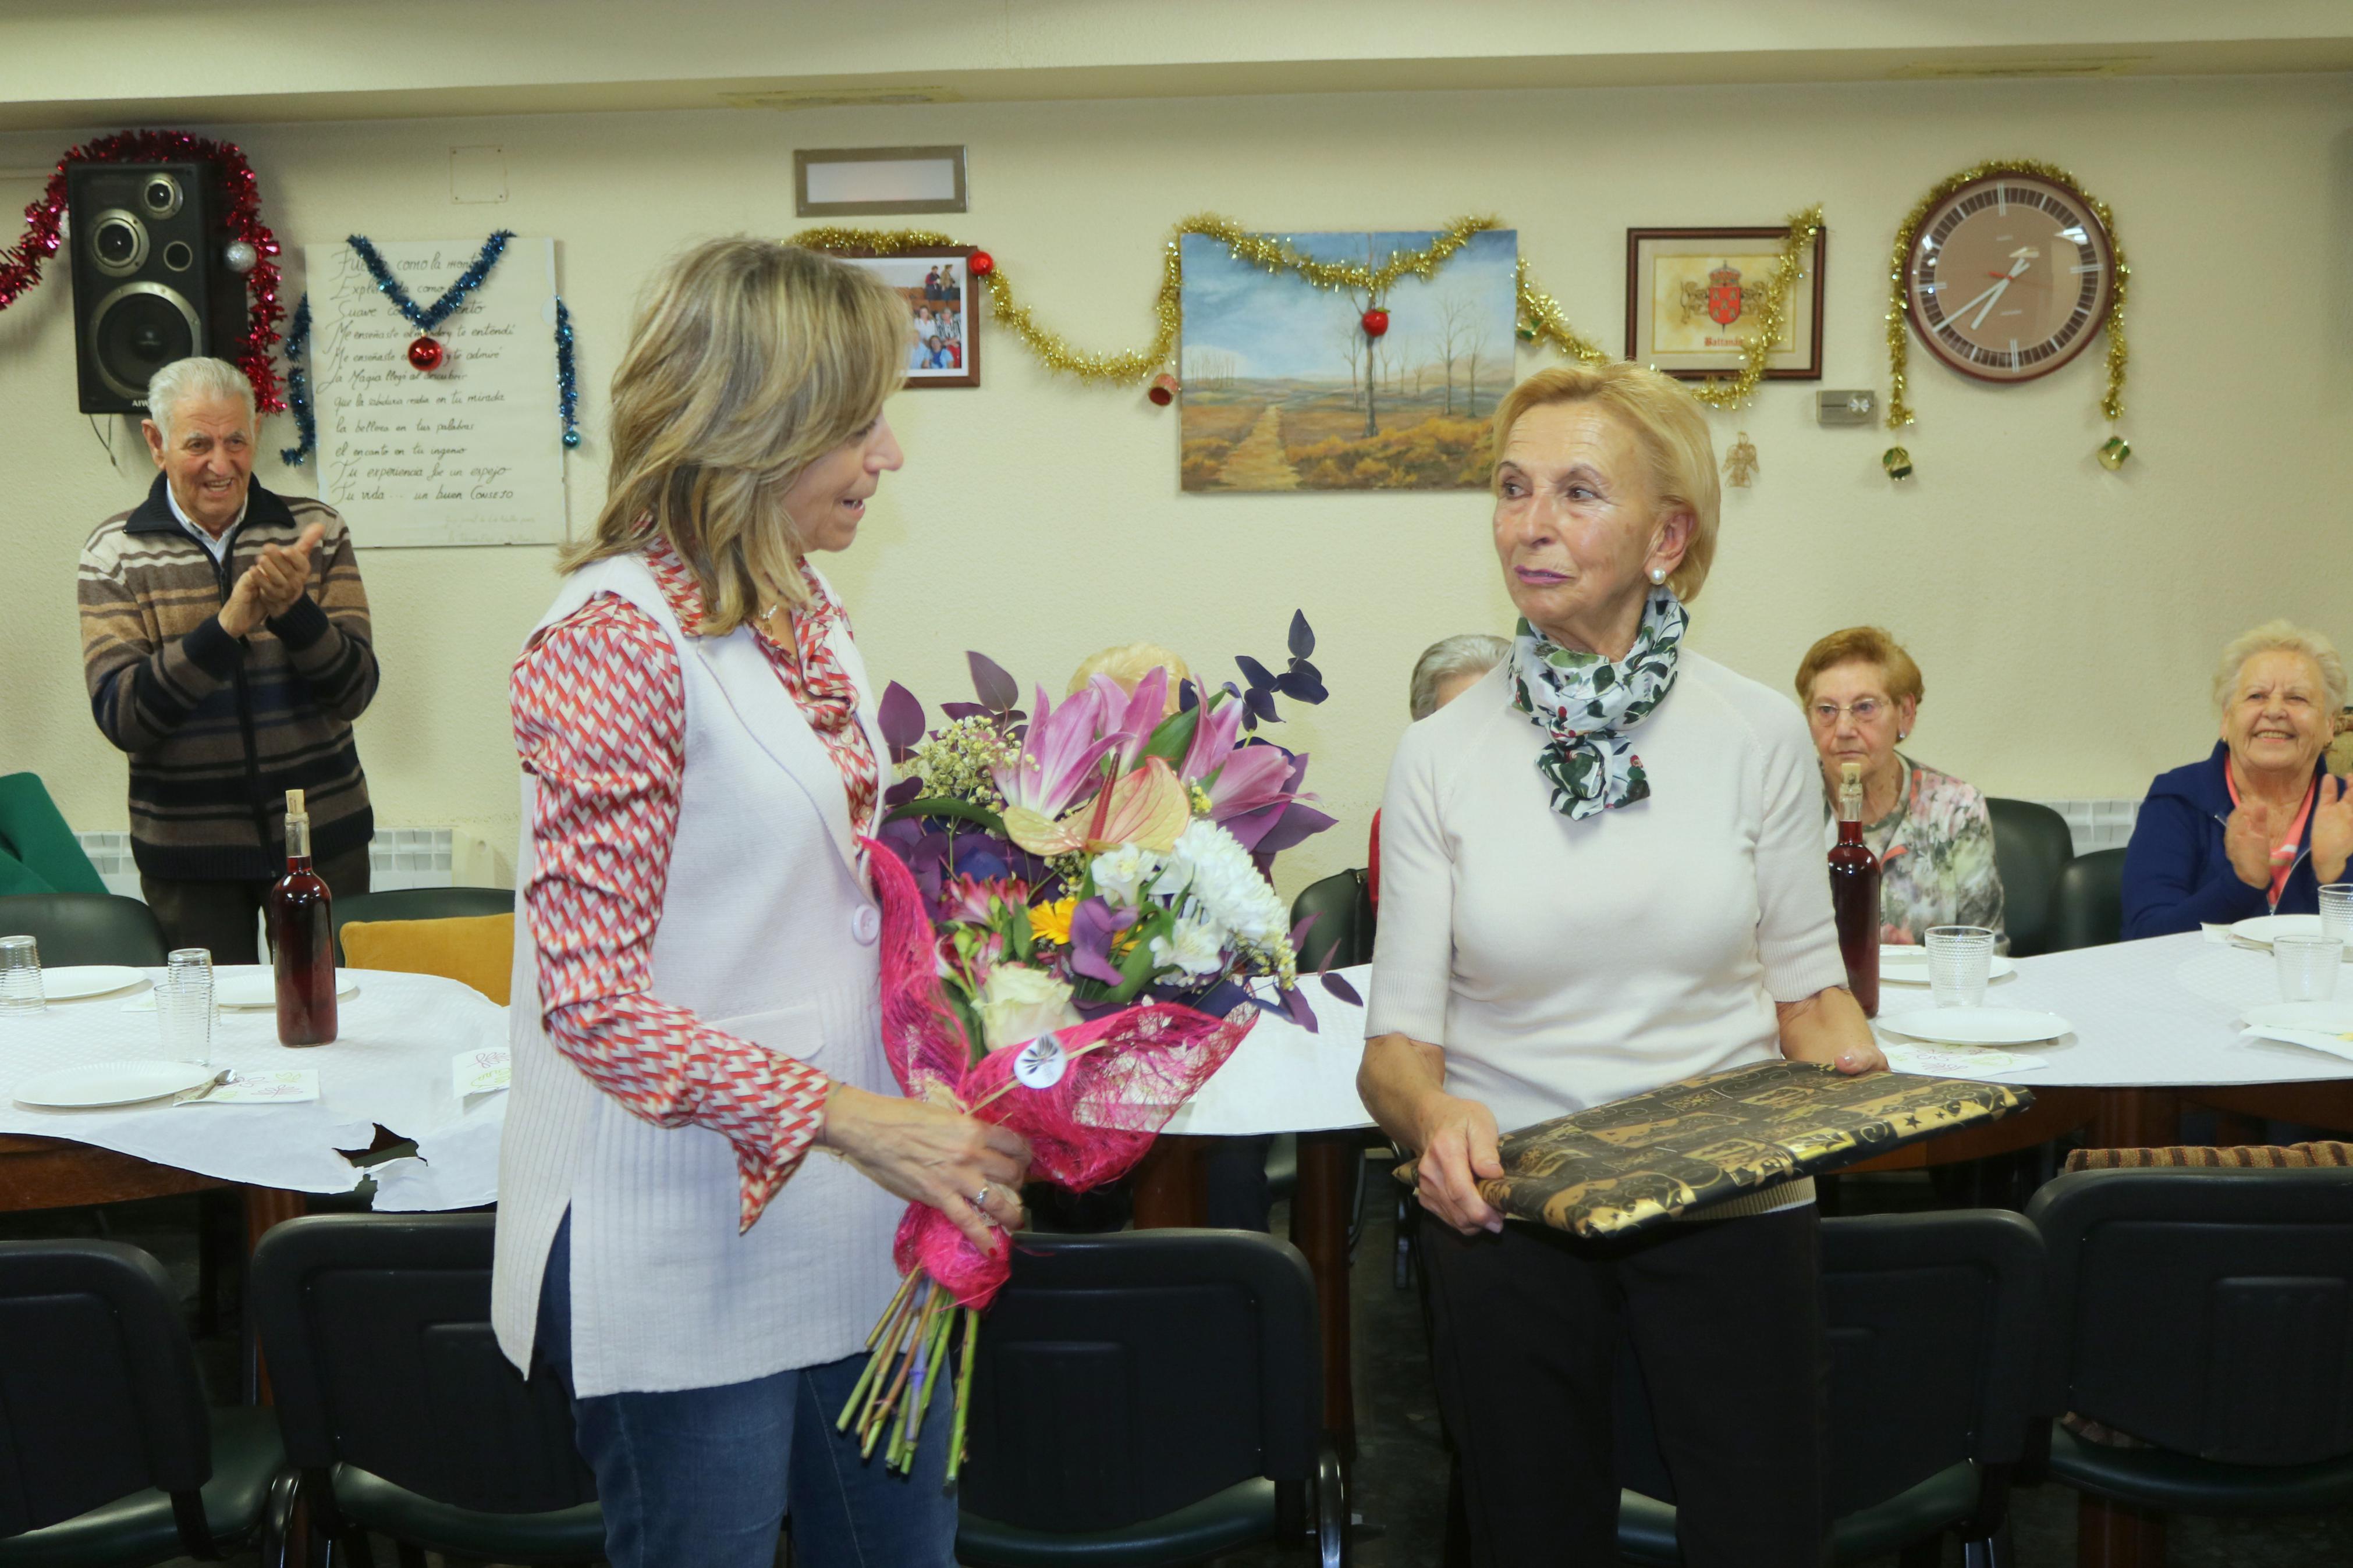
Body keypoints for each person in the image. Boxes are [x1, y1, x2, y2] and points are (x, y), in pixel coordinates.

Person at [492, 238, 1031, 1568]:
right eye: (858, 424)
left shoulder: (800, 602)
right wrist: (861, 1123)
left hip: (849, 1213)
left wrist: (953, 1058)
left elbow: (821, 902)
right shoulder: (613, 644)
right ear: (757, 427)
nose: (889, 455)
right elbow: (594, 1008)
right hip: (671, 1234)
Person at [1359, 362, 1883, 1568]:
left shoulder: (1755, 731)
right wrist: (1429, 1119)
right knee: (1528, 1536)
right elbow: (1394, 1049)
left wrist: (1865, 1076)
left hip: (1735, 1202)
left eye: (1576, 492)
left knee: (1760, 1534)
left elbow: (1807, 994)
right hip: (1512, 1210)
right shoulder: (1439, 753)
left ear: (1667, 534)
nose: (1529, 525)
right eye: (1510, 489)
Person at [77, 355, 377, 959]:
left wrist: (295, 611)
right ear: (156, 443)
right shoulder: (113, 554)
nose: (222, 463)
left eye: (236, 439)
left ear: (256, 435)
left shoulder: (317, 531)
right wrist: (226, 628)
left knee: (330, 1019)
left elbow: (355, 690)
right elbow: (123, 715)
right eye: (199, 443)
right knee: (213, 1035)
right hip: (188, 858)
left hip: (323, 839)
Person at [2122, 620, 2352, 938]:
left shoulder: (2347, 811)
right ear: (2227, 721)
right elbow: (2142, 939)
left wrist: (2334, 878)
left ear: (2330, 725)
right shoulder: (2179, 798)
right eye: (2257, 696)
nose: (2274, 711)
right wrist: (2241, 884)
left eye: (2297, 698)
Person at [1795, 625, 2004, 945]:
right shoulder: (1784, 801)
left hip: (1929, 994)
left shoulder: (1956, 809)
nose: (1844, 729)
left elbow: (1986, 954)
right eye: (1826, 710)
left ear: (1905, 714)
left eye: (1865, 707)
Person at [1368, 633, 1510, 907]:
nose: (1483, 737)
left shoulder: (1569, 805)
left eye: (1497, 716)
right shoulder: (1404, 819)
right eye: (1461, 721)